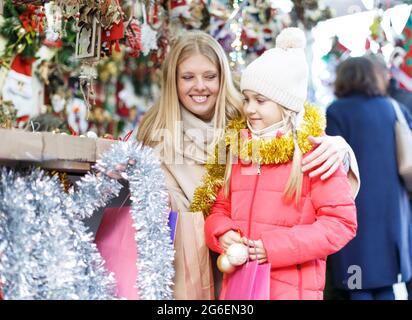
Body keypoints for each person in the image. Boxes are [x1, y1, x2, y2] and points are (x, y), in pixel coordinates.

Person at [96, 30, 360, 300]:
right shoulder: (155, 133)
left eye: (210, 77)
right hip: (189, 266)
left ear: (223, 79)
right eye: (187, 77)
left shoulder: (246, 119)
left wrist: (340, 146)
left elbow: (298, 133)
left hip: (255, 273)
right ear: (173, 81)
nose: (200, 86)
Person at [203, 28, 357, 300]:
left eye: (260, 101)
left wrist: (272, 248)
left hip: (291, 291)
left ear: (286, 105)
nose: (250, 109)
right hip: (240, 288)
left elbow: (341, 223)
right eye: (247, 99)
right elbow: (219, 206)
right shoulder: (238, 149)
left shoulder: (315, 152)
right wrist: (221, 231)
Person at [326, 56, 412, 300]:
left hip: (354, 208)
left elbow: (334, 164)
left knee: (358, 283)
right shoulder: (393, 108)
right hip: (393, 210)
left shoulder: (336, 111)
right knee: (386, 283)